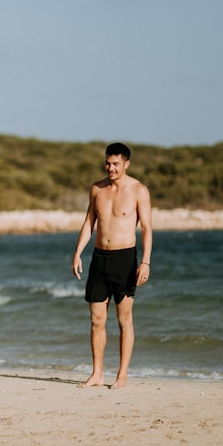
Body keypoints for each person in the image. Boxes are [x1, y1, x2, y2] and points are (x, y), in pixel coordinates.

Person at [71, 142, 152, 389]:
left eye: (116, 163)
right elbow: (89, 222)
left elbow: (147, 228)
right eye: (108, 162)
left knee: (124, 319)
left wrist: (146, 261)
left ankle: (122, 375)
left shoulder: (139, 190)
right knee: (96, 319)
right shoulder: (97, 189)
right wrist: (77, 253)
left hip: (125, 259)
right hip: (99, 258)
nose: (110, 167)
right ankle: (97, 374)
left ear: (126, 164)